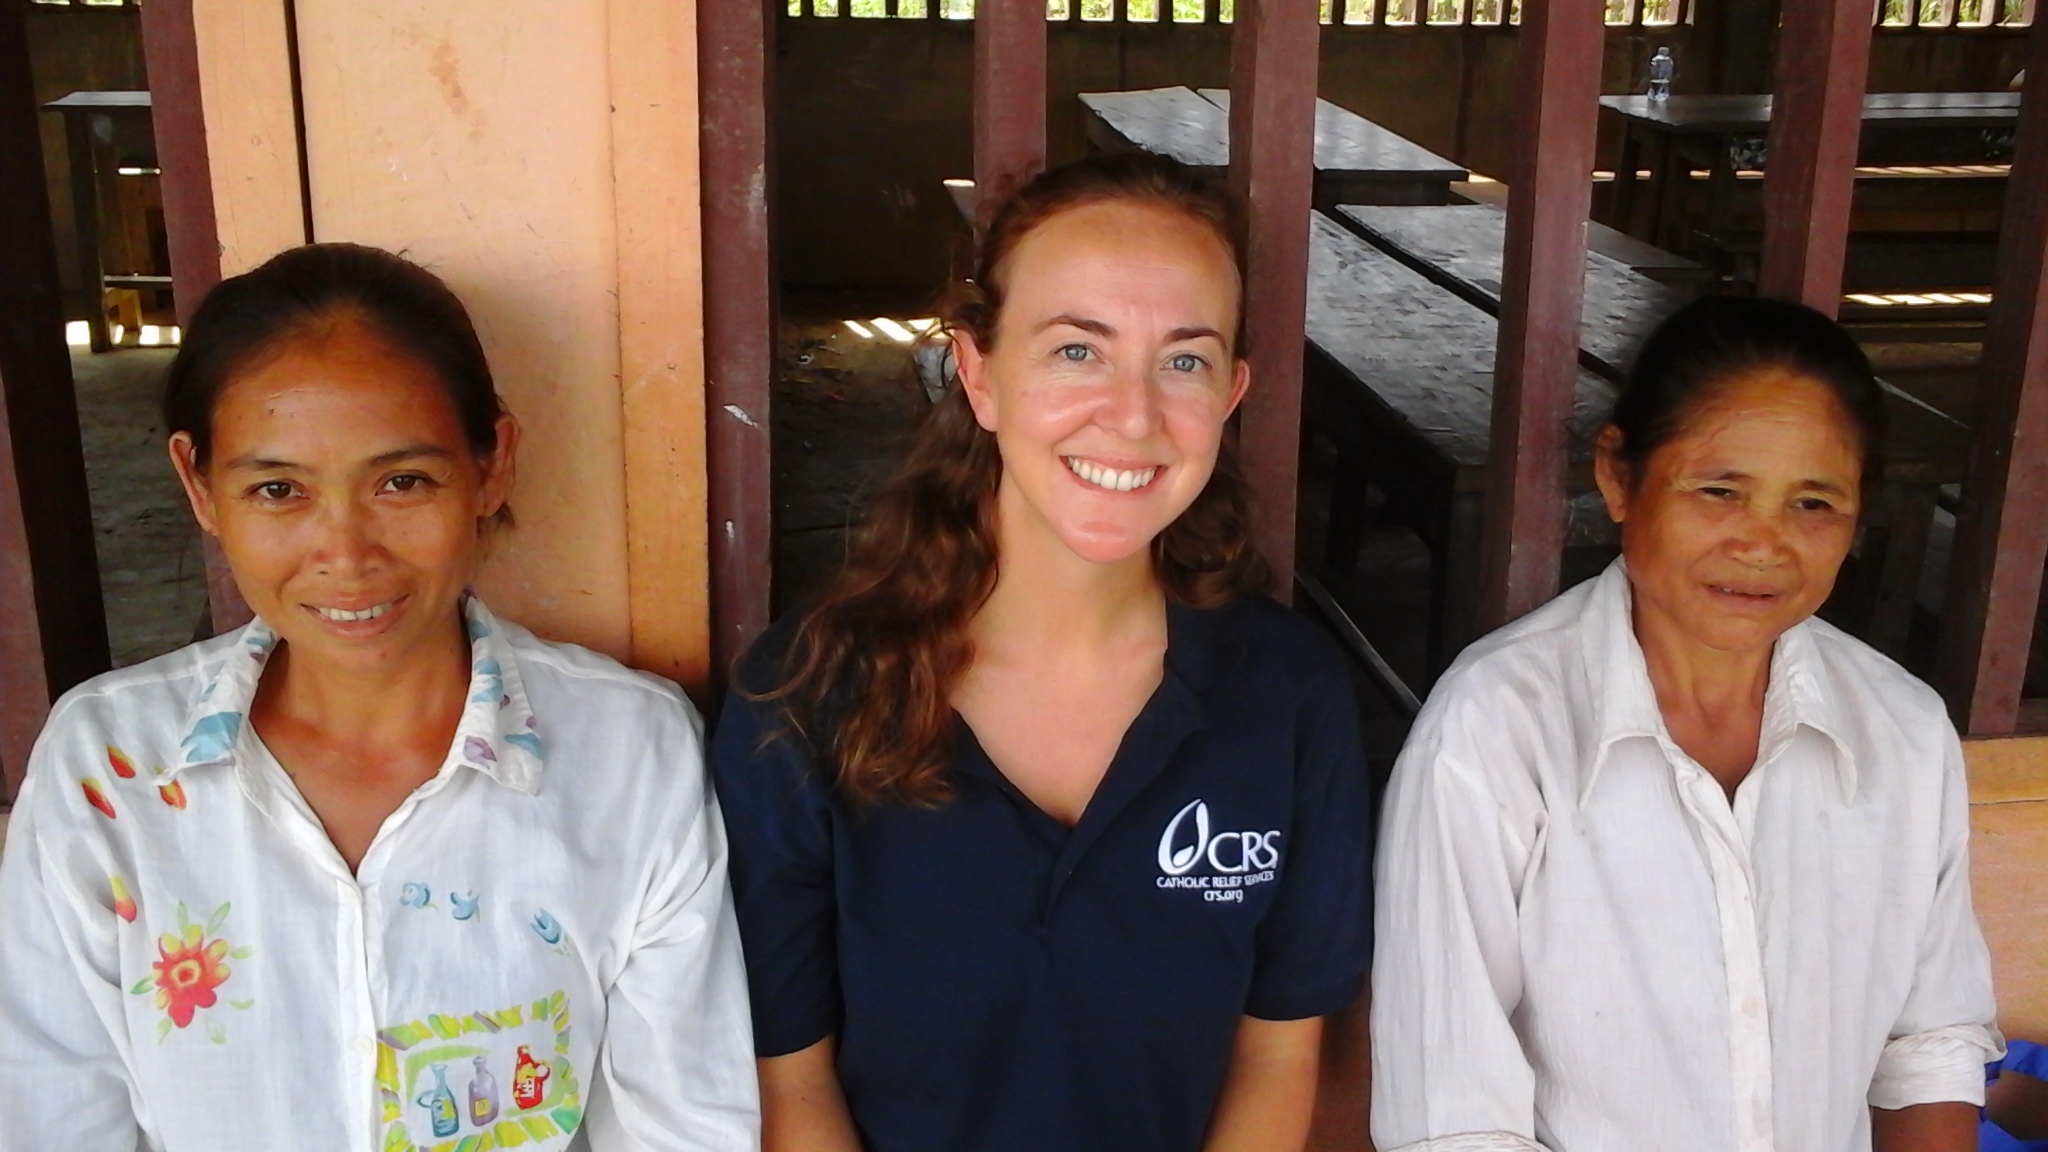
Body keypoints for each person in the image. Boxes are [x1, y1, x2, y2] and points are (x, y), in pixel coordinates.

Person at [0, 243, 758, 1151]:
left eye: (403, 482)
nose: (347, 553)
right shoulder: (109, 770)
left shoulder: (630, 757)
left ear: (493, 463)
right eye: (278, 489)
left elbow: (681, 1126)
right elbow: (52, 1115)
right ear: (200, 486)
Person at [710, 153, 1373, 1152]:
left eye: (1182, 360)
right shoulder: (805, 695)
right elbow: (789, 1084)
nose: (1134, 413)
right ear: (978, 373)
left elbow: (1278, 1053)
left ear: (1231, 393)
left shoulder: (1287, 695)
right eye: (1077, 351)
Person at [1371, 294, 2003, 1152]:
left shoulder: (1902, 732)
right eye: (1720, 490)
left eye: (1813, 504)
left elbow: (1925, 1049)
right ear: (1618, 476)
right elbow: (1455, 1117)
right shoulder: (1495, 729)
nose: (1762, 543)